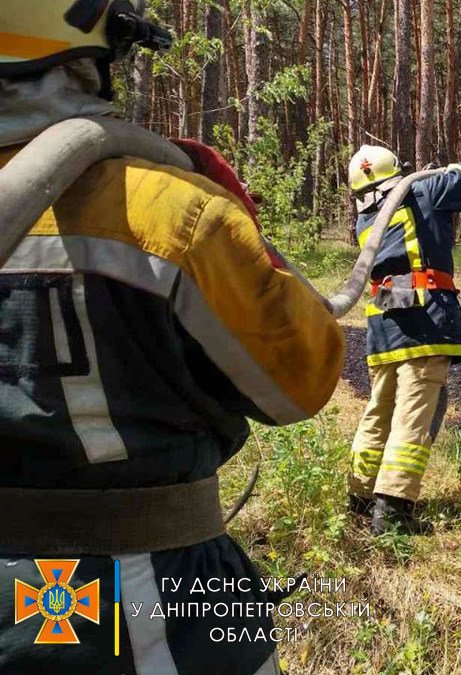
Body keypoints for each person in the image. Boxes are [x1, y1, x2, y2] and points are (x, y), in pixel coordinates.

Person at [0, 2, 344, 673]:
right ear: (80, 60)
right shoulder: (168, 210)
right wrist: (236, 224)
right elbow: (302, 380)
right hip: (150, 599)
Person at [345, 145, 461, 535]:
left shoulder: (366, 219)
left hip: (384, 333)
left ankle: (358, 497)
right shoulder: (421, 192)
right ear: (400, 172)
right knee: (412, 419)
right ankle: (392, 515)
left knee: (379, 413)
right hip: (424, 325)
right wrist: (443, 171)